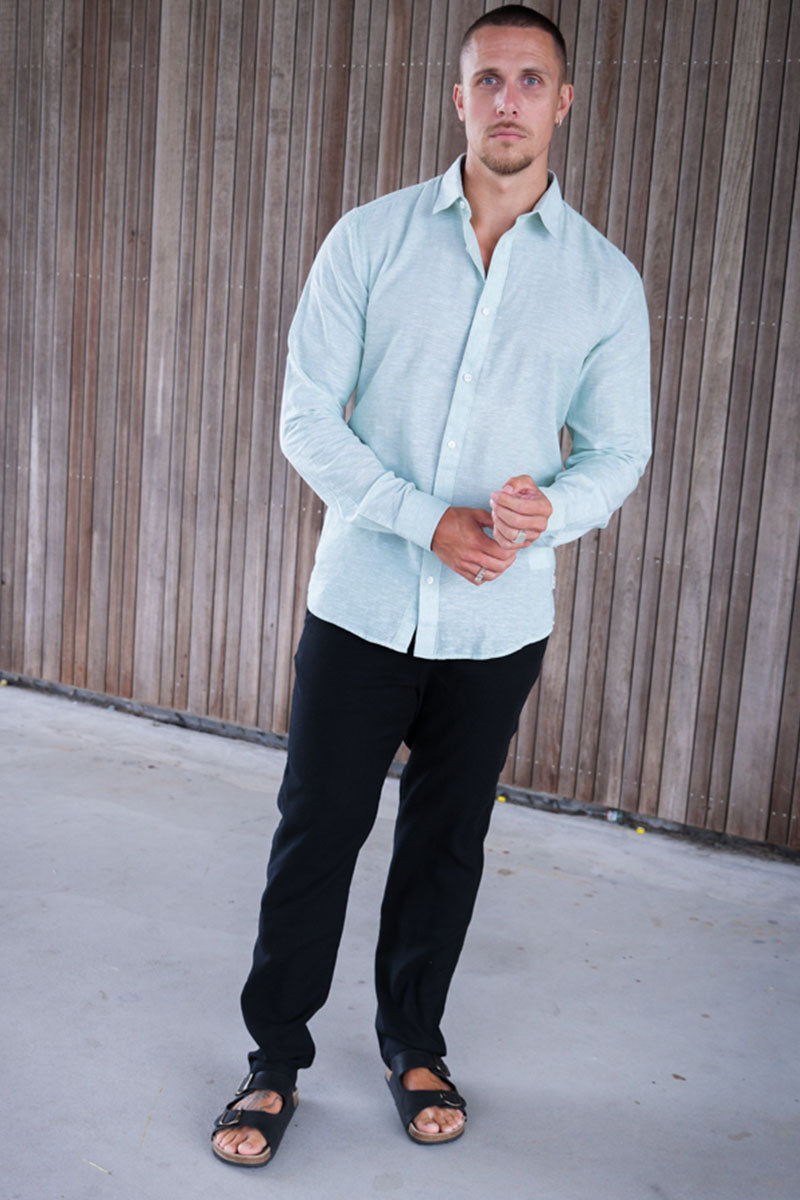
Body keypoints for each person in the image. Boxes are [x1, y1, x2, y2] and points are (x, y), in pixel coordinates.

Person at [211, 3, 651, 1166]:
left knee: (446, 843)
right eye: (487, 79)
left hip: (499, 620)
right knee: (316, 834)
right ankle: (272, 1063)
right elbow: (307, 419)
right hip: (362, 602)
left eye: (529, 79)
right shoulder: (367, 240)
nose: (507, 99)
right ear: (458, 99)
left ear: (562, 102)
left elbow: (619, 451)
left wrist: (552, 511)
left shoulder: (602, 283)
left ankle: (414, 1045)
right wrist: (425, 522)